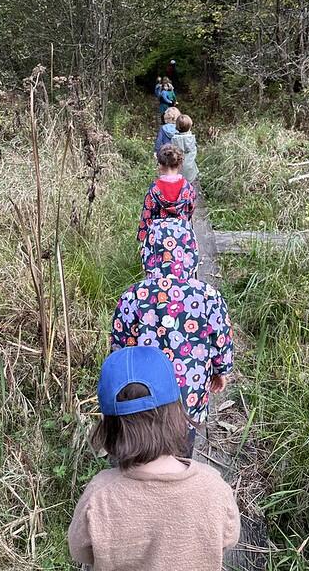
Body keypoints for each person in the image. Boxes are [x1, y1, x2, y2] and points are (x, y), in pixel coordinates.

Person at [68, 346, 241, 571]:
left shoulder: (100, 494)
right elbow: (229, 539)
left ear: (109, 426)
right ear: (177, 412)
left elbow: (80, 549)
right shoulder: (214, 487)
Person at [113, 220, 234, 430]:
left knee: (146, 441)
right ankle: (183, 460)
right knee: (184, 440)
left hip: (142, 395)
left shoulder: (132, 296)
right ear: (191, 251)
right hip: (190, 392)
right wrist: (220, 370)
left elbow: (118, 347)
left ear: (149, 252)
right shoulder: (208, 296)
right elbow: (220, 338)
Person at [137, 143, 196, 245]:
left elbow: (146, 215)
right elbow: (190, 210)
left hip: (158, 239)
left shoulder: (154, 190)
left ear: (160, 165)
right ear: (180, 164)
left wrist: (142, 238)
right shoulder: (188, 188)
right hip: (181, 236)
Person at [173, 114, 199, 183]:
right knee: (190, 183)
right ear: (190, 127)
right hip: (190, 168)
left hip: (178, 169)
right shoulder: (192, 138)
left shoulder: (174, 139)